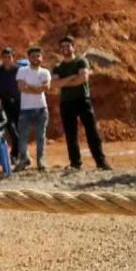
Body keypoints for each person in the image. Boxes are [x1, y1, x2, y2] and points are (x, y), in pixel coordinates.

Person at [51, 36, 112, 171]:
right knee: (70, 134)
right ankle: (75, 163)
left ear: (73, 47)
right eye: (63, 47)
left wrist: (65, 81)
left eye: (68, 46)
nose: (65, 49)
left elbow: (82, 79)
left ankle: (101, 162)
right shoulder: (58, 67)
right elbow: (54, 84)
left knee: (92, 132)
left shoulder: (81, 61)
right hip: (66, 103)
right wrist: (72, 77)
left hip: (83, 100)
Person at [15, 50, 51, 171]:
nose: (36, 58)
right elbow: (21, 87)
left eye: (38, 56)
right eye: (33, 56)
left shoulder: (45, 72)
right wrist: (37, 88)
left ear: (42, 57)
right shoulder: (22, 71)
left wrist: (29, 86)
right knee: (23, 137)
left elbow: (45, 88)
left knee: (41, 136)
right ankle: (24, 159)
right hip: (26, 109)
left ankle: (41, 160)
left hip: (41, 108)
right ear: (28, 58)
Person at [0, 47, 21, 160]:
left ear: (13, 57)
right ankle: (15, 154)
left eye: (9, 57)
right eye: (4, 57)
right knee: (11, 127)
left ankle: (17, 153)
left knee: (18, 127)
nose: (7, 60)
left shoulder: (19, 69)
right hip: (5, 102)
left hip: (19, 101)